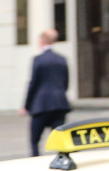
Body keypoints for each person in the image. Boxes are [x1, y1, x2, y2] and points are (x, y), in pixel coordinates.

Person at [19, 29, 72, 157]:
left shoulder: (38, 60)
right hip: (60, 103)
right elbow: (66, 82)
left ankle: (35, 160)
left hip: (41, 104)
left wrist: (26, 105)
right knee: (60, 137)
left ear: (42, 40)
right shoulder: (62, 59)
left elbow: (33, 84)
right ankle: (63, 159)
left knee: (35, 139)